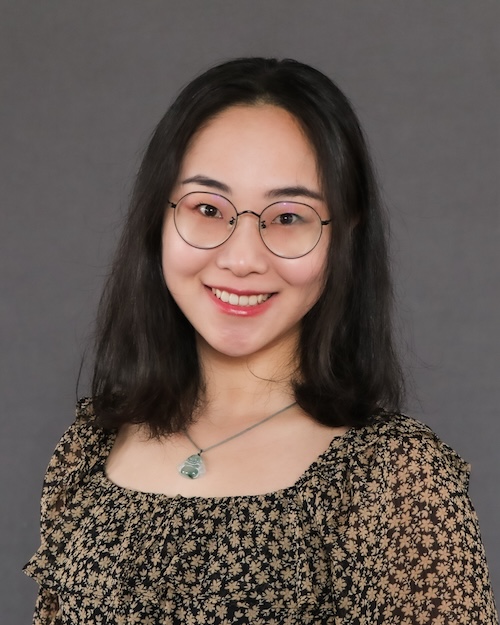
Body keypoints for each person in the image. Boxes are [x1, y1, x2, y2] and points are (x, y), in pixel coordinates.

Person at [24, 57, 497, 624]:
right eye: (207, 209)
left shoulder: (397, 479)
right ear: (158, 217)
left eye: (289, 218)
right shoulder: (89, 446)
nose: (242, 258)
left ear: (344, 235)